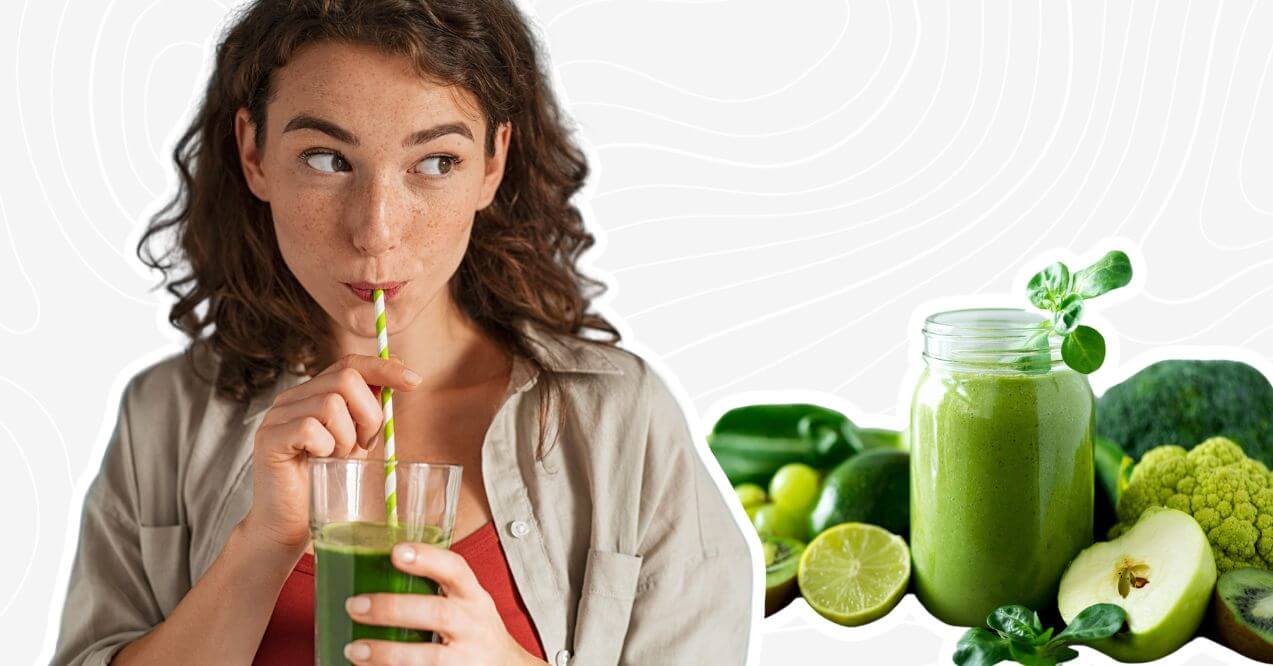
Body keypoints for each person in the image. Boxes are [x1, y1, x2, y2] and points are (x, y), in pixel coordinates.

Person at [50, 1, 754, 664]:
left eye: (436, 162)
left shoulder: (618, 420)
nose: (376, 230)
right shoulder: (163, 417)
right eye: (327, 159)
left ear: (492, 162)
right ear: (254, 154)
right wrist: (262, 544)